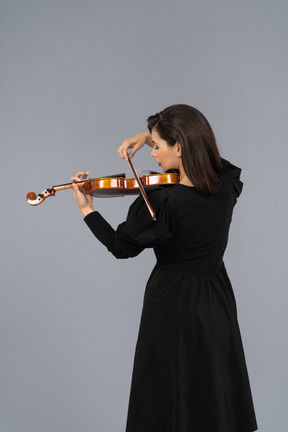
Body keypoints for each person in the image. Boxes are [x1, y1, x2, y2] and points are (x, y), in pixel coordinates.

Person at [71, 104, 257, 432]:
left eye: (157, 146)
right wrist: (146, 136)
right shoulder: (225, 187)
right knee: (212, 384)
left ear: (180, 147)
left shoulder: (164, 202)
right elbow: (219, 163)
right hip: (216, 298)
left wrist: (87, 210)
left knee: (168, 390)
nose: (153, 153)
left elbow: (120, 246)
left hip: (172, 302)